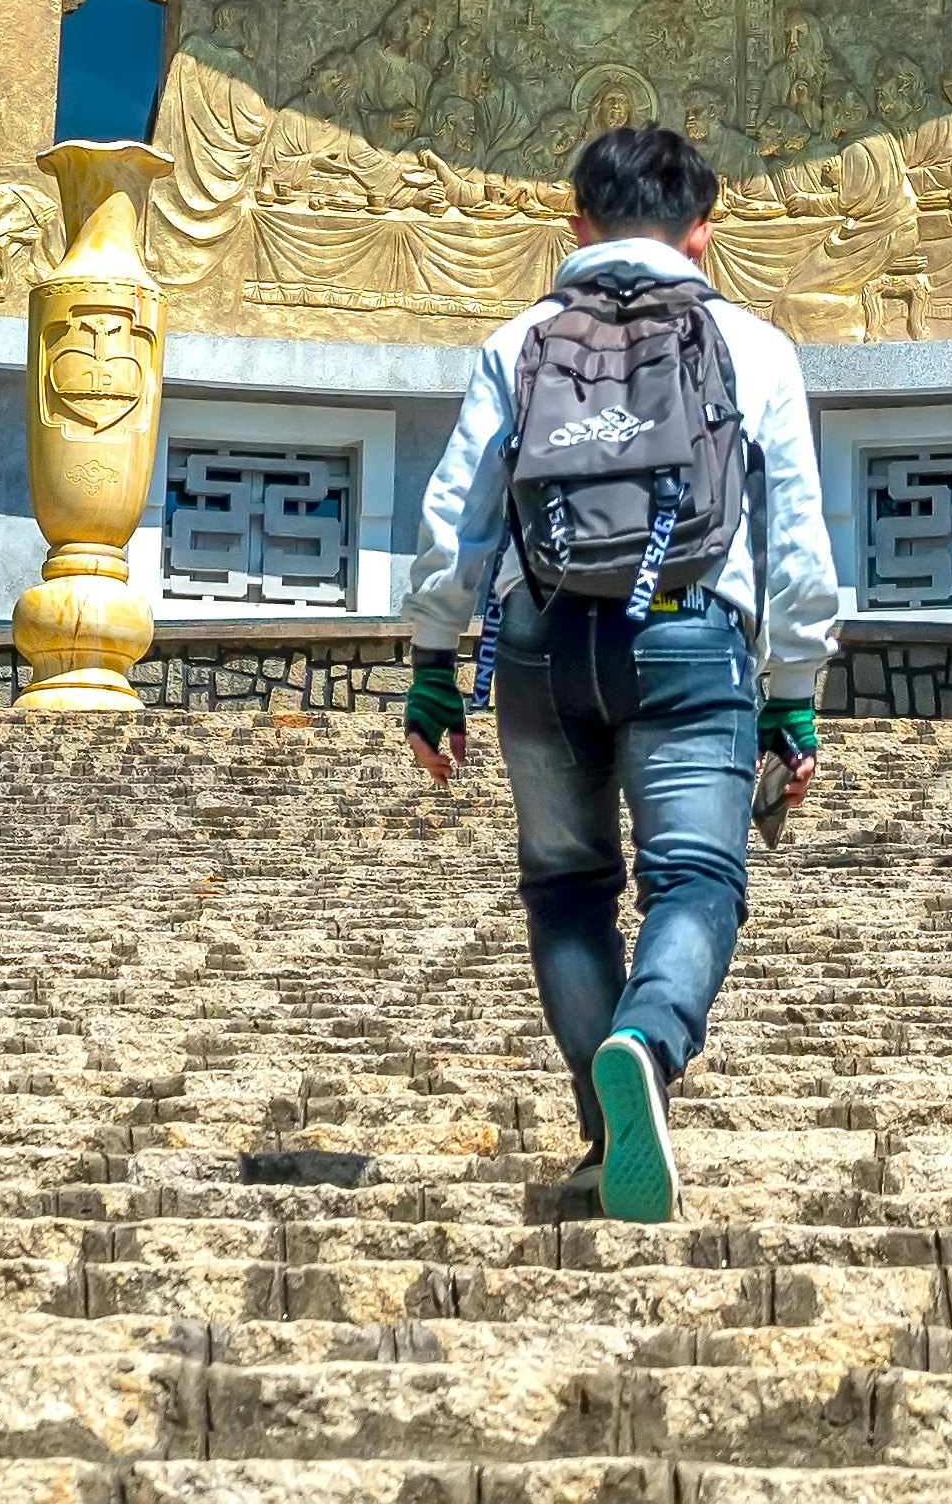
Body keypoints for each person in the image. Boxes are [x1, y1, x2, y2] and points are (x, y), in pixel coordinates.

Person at [393, 120, 841, 1224]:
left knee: (565, 888)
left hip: (541, 645)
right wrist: (793, 691)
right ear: (703, 228)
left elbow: (455, 513)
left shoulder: (521, 337)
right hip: (691, 639)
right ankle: (647, 1038)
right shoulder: (753, 344)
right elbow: (797, 537)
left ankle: (606, 1139)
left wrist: (429, 666)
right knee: (694, 878)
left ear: (577, 222)